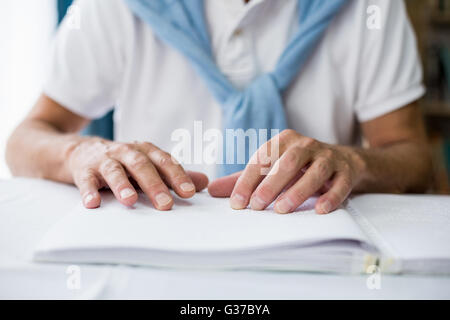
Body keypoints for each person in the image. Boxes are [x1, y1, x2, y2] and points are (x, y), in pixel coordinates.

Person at [6, 0, 431, 215]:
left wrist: (353, 161)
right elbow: (25, 139)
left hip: (320, 257)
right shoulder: (114, 6)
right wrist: (82, 152)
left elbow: (414, 158)